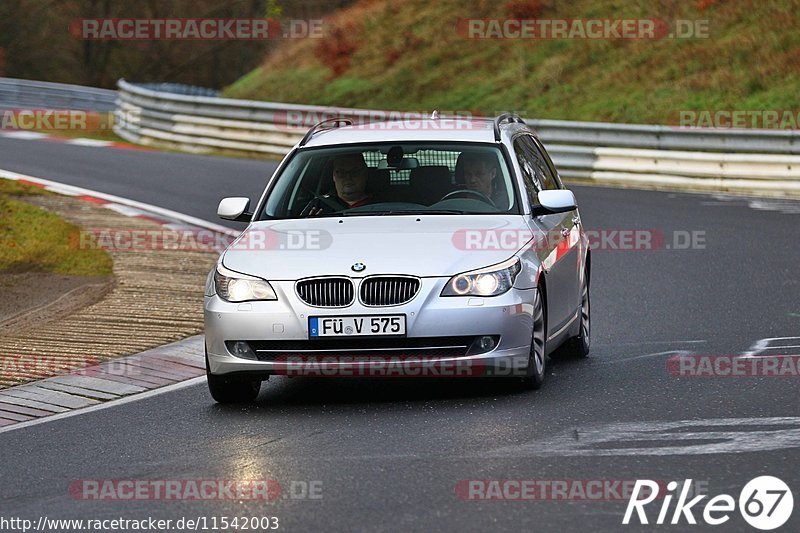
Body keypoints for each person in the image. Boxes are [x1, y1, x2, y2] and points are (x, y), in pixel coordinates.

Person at [305, 153, 373, 216]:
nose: (348, 177)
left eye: (354, 172)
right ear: (333, 176)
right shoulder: (318, 205)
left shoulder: (380, 204)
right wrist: (308, 224)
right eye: (341, 173)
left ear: (365, 174)